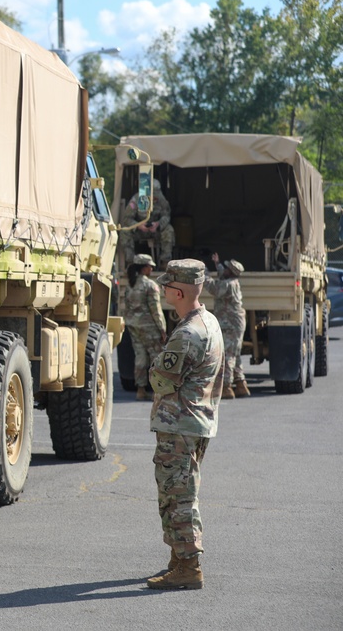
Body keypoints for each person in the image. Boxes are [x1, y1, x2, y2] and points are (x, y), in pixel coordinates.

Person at [146, 258, 224, 590]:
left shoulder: (188, 333)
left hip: (180, 424)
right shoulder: (208, 321)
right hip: (194, 422)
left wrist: (153, 368)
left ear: (177, 292)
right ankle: (179, 558)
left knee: (178, 495)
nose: (162, 289)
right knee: (177, 491)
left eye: (166, 285)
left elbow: (161, 379)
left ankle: (189, 566)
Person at [123, 254, 167, 401]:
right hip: (149, 327)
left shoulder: (130, 285)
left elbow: (127, 308)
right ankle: (157, 391)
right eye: (150, 266)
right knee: (156, 358)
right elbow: (156, 310)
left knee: (140, 357)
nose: (152, 268)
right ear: (144, 268)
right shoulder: (150, 285)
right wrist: (162, 329)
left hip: (133, 325)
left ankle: (140, 390)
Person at [205, 253, 248, 398]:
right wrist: (217, 264)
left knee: (228, 355)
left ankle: (227, 387)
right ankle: (241, 383)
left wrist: (203, 275)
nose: (225, 269)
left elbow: (214, 288)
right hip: (235, 323)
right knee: (235, 353)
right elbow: (222, 273)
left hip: (230, 324)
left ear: (231, 272)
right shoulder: (231, 280)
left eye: (228, 268)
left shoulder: (228, 284)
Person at [119, 180, 175, 266]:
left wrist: (158, 224)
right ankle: (131, 262)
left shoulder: (162, 200)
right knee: (124, 232)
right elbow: (127, 218)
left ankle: (165, 262)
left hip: (155, 231)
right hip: (139, 231)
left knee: (169, 230)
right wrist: (138, 225)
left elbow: (166, 216)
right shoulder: (136, 200)